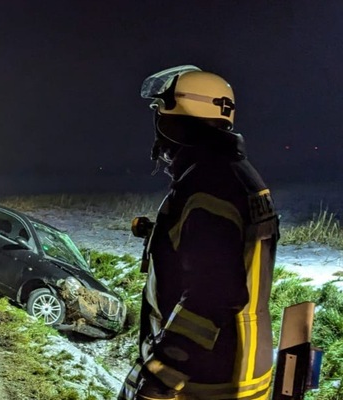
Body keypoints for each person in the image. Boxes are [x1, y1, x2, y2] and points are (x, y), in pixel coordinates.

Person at [119, 65, 278, 399]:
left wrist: (163, 373)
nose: (158, 124)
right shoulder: (238, 175)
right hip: (241, 365)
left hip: (208, 377)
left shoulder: (209, 185)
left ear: (180, 119)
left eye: (162, 113)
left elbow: (214, 293)